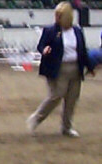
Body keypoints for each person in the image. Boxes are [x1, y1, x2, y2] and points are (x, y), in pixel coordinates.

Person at [26, 2, 95, 138]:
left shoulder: (77, 31)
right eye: (56, 15)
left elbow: (83, 51)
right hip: (58, 68)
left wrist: (90, 67)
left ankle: (67, 127)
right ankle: (36, 118)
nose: (56, 17)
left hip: (75, 68)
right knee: (57, 95)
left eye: (59, 15)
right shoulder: (50, 30)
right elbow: (41, 45)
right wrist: (44, 50)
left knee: (72, 98)